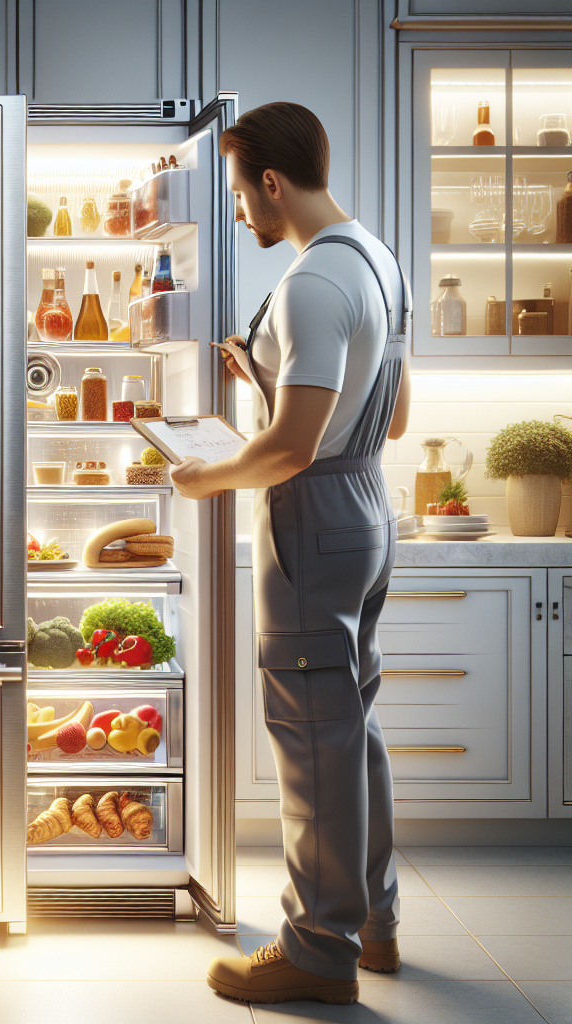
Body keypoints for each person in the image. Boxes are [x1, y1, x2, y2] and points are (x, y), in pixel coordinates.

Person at [170, 101, 412, 1006]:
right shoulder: (377, 261)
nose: (238, 211)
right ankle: (374, 924)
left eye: (240, 193)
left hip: (311, 515)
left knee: (310, 736)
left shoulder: (311, 282)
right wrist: (270, 377)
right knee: (352, 725)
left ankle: (316, 948)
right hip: (366, 506)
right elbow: (388, 414)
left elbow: (289, 451)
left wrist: (206, 477)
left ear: (273, 182)